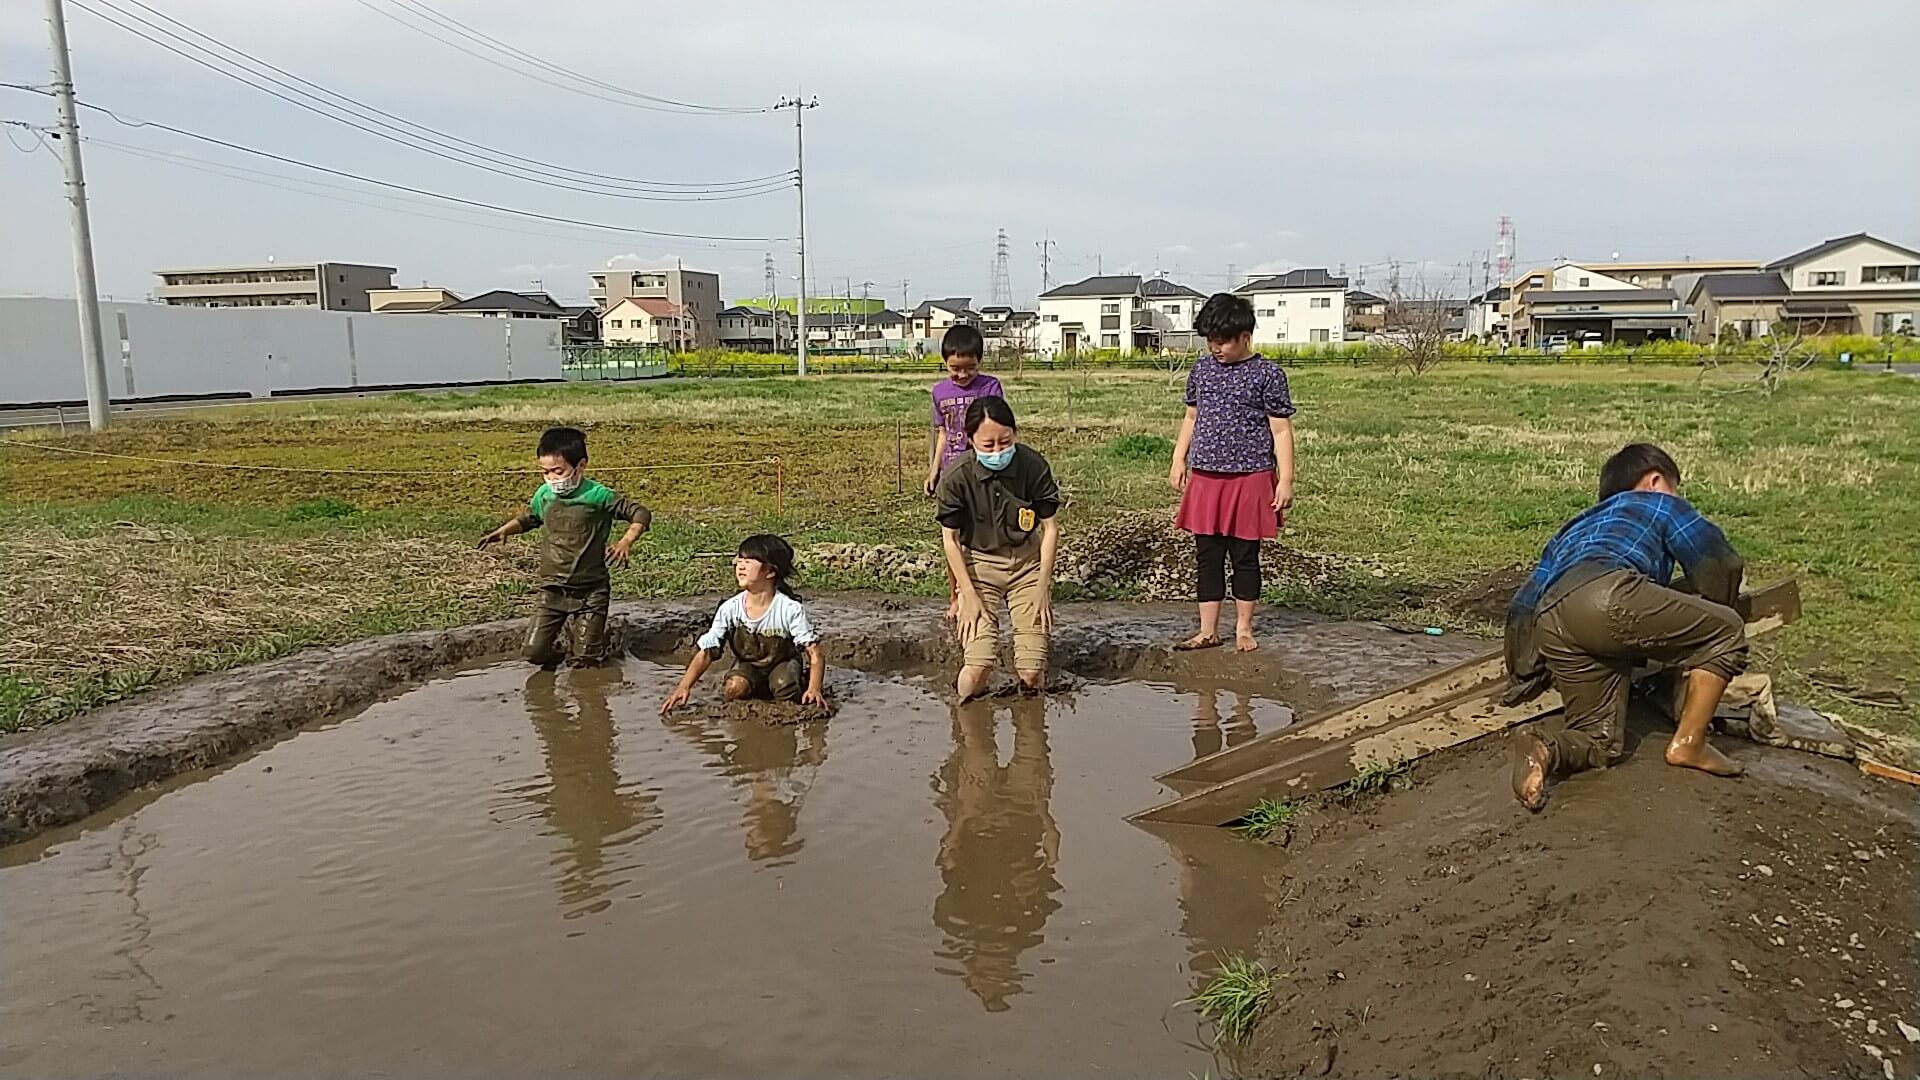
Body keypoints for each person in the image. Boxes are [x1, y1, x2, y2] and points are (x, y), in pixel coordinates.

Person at [1505, 443, 1749, 812]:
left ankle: (1542, 749)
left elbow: (1522, 606)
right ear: (1654, 481)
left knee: (1599, 740)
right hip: (1608, 592)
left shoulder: (1571, 529)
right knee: (1727, 630)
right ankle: (1690, 743)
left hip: (1552, 619)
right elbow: (1718, 562)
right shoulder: (1659, 503)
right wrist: (1712, 613)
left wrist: (1525, 671)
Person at [1167, 292, 1296, 652]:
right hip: (1207, 477)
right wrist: (1179, 459)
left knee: (1244, 555)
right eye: (1211, 341)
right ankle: (1207, 630)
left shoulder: (1268, 374)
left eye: (1223, 341)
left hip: (1251, 476)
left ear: (1245, 336)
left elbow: (1281, 429)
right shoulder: (1202, 370)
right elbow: (1191, 417)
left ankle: (1243, 628)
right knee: (1207, 555)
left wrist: (1285, 479)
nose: (1216, 348)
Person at [478, 426, 650, 668]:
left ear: (580, 466)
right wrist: (506, 529)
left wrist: (626, 540)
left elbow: (640, 512)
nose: (552, 479)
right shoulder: (544, 495)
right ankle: (560, 654)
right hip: (552, 589)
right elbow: (532, 517)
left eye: (558, 471)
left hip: (591, 590)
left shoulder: (598, 495)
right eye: (545, 472)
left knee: (586, 659)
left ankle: (596, 650)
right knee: (533, 652)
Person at [936, 396, 1061, 700]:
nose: (998, 451)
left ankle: (1032, 729)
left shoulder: (1032, 466)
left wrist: (1042, 588)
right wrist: (967, 595)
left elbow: (1051, 529)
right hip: (979, 566)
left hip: (1027, 565)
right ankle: (962, 723)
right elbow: (950, 541)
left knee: (1031, 670)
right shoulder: (956, 477)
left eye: (1005, 442)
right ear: (970, 440)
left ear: (1015, 433)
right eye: (988, 445)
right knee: (978, 666)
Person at [660, 534, 828, 714]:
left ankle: (796, 684)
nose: (740, 565)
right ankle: (757, 687)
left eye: (748, 561)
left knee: (784, 687)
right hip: (749, 665)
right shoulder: (729, 608)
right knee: (734, 688)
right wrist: (684, 687)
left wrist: (814, 688)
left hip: (782, 663)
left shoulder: (789, 609)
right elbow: (707, 652)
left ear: (770, 571)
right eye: (739, 560)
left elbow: (815, 653)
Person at [924, 324, 1006, 497]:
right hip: (952, 469)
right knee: (953, 515)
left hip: (984, 467)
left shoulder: (989, 387)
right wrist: (934, 470)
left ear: (979, 361)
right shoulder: (939, 392)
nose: (962, 374)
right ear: (945, 361)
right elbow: (943, 434)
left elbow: (999, 427)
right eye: (955, 368)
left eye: (970, 368)